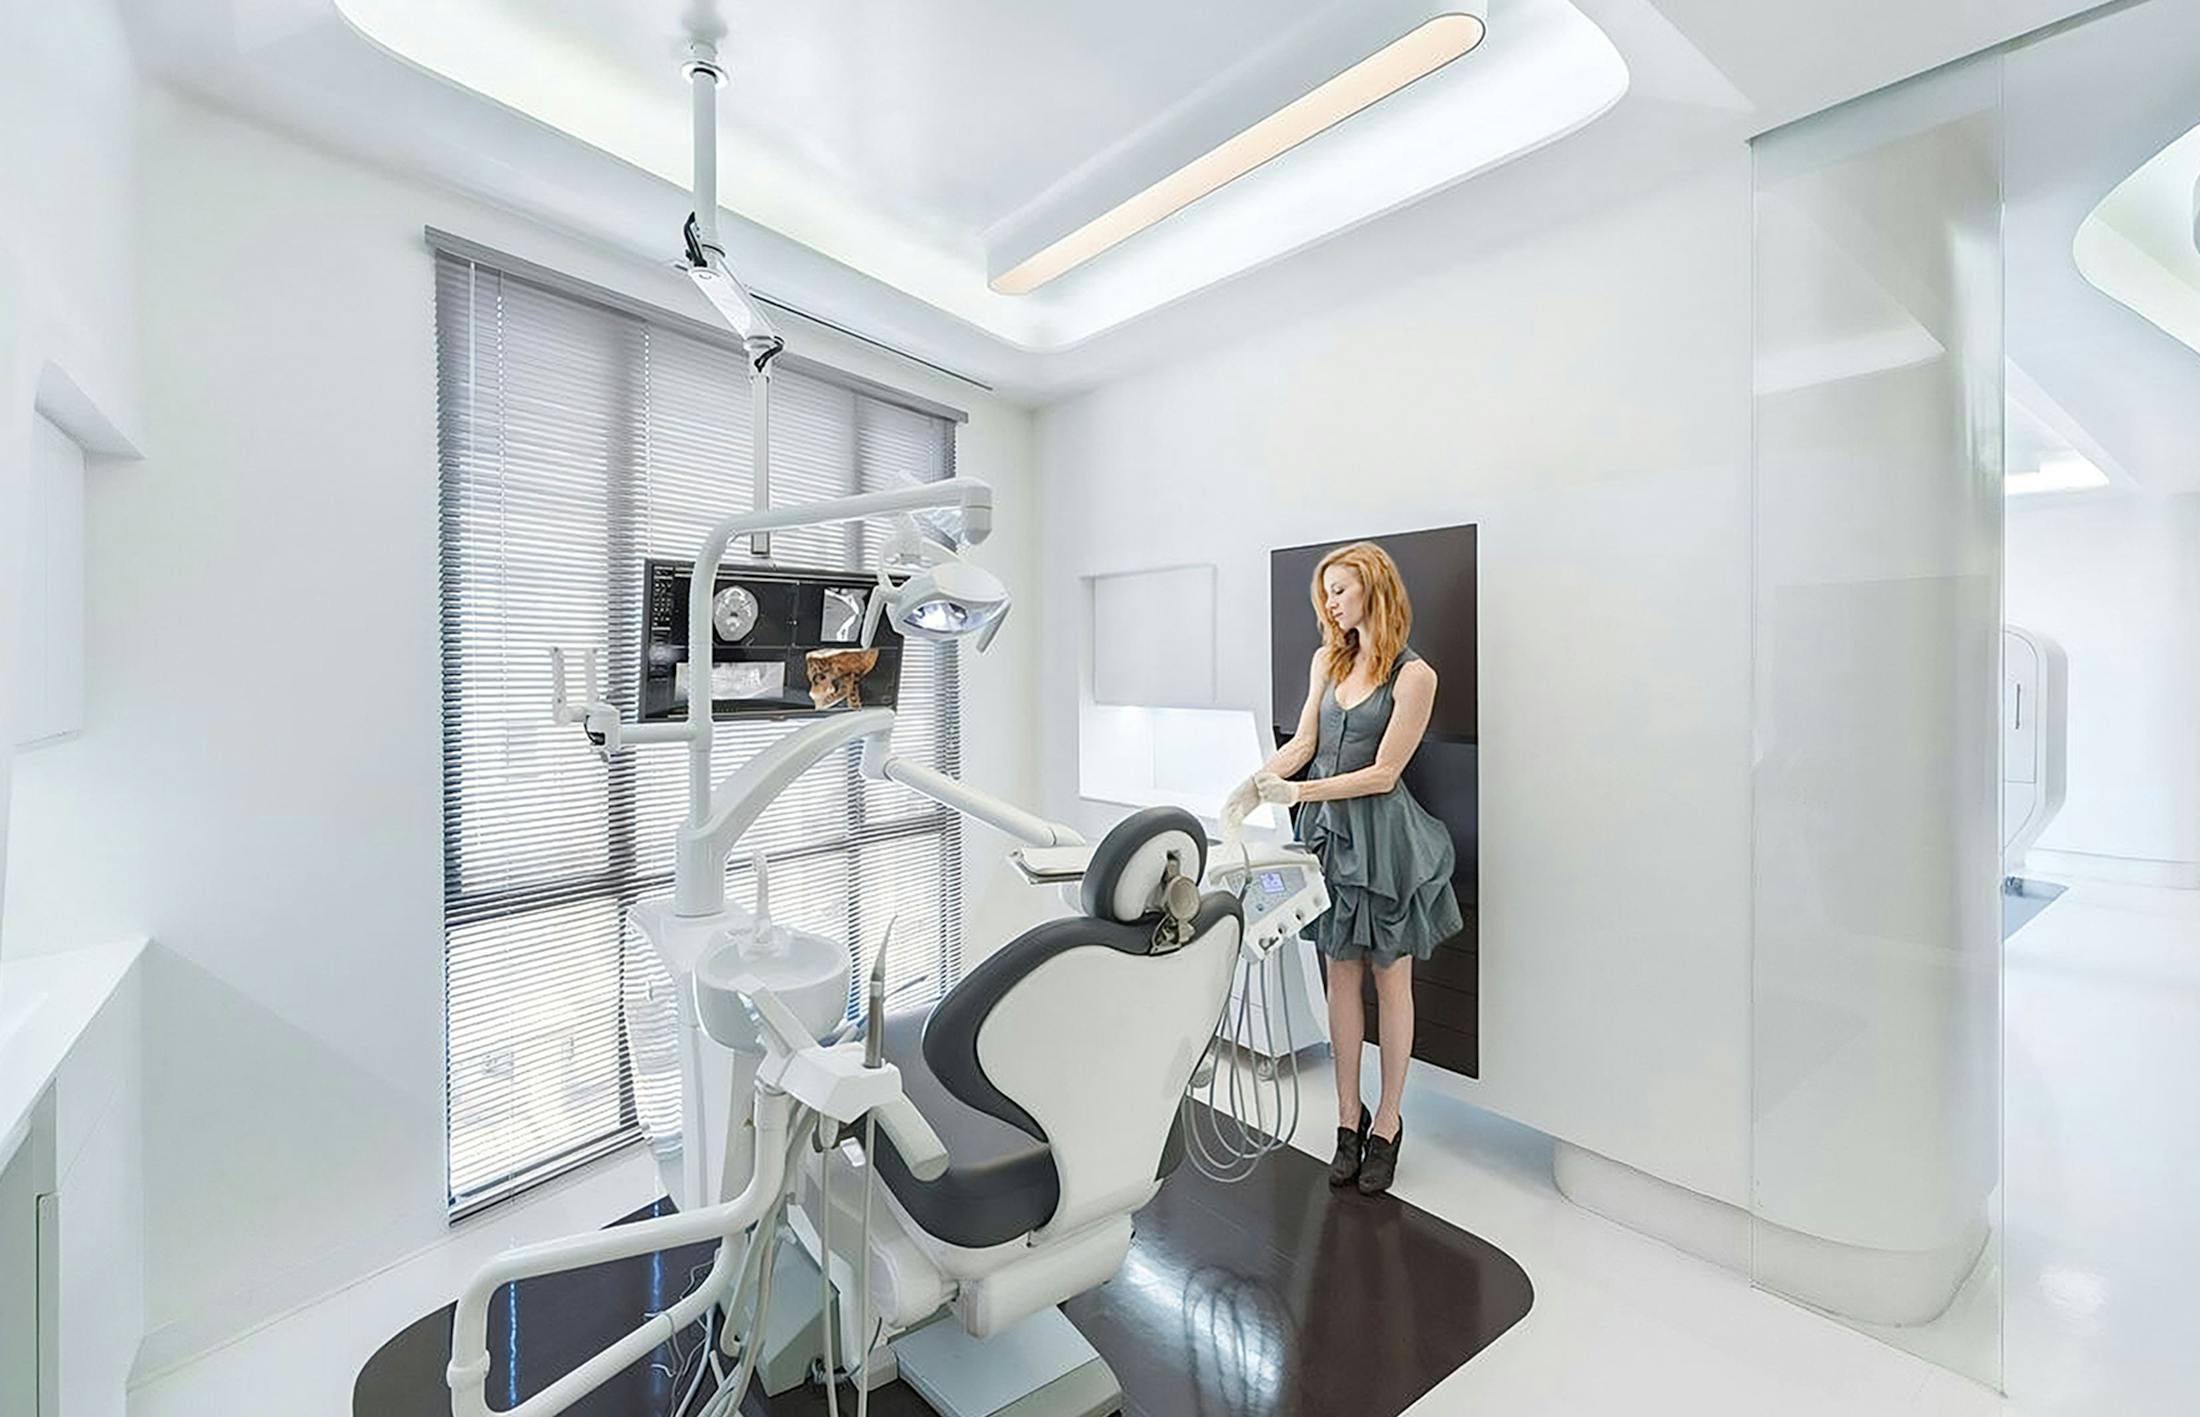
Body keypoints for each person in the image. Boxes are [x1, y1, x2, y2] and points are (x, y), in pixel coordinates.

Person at [1223, 541, 1462, 1196]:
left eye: (1340, 589)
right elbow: (1305, 742)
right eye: (1325, 591)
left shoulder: (1415, 676)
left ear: (1374, 591)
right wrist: (1252, 784)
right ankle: (1346, 1119)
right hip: (1329, 838)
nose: (1329, 602)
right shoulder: (1328, 659)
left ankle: (1387, 1123)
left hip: (1384, 843)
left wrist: (1297, 794)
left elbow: (1385, 772)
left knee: (1390, 978)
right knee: (1339, 975)